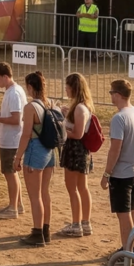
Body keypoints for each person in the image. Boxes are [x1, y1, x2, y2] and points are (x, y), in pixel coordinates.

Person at [101, 80, 134, 257]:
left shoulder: (119, 118)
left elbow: (115, 148)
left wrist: (107, 173)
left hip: (122, 173)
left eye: (111, 92)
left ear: (118, 95)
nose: (110, 96)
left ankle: (127, 252)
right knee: (133, 209)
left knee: (123, 213)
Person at [14, 71, 56, 246]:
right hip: (49, 151)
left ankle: (37, 232)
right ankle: (45, 229)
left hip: (35, 149)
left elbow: (26, 135)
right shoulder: (49, 103)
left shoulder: (30, 107)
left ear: (30, 87)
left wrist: (17, 157)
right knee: (44, 193)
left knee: (34, 195)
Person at [0, 62, 27, 220]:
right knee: (12, 173)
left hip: (12, 140)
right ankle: (17, 204)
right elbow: (10, 113)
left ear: (5, 77)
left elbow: (16, 118)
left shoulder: (14, 93)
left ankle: (13, 207)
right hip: (10, 139)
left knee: (9, 173)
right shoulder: (12, 91)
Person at [58, 73, 94, 238]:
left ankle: (76, 224)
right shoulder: (83, 106)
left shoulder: (79, 108)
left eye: (67, 86)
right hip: (81, 151)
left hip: (75, 149)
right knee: (82, 187)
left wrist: (61, 129)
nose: (66, 89)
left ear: (74, 87)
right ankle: (85, 222)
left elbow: (78, 134)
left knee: (72, 188)